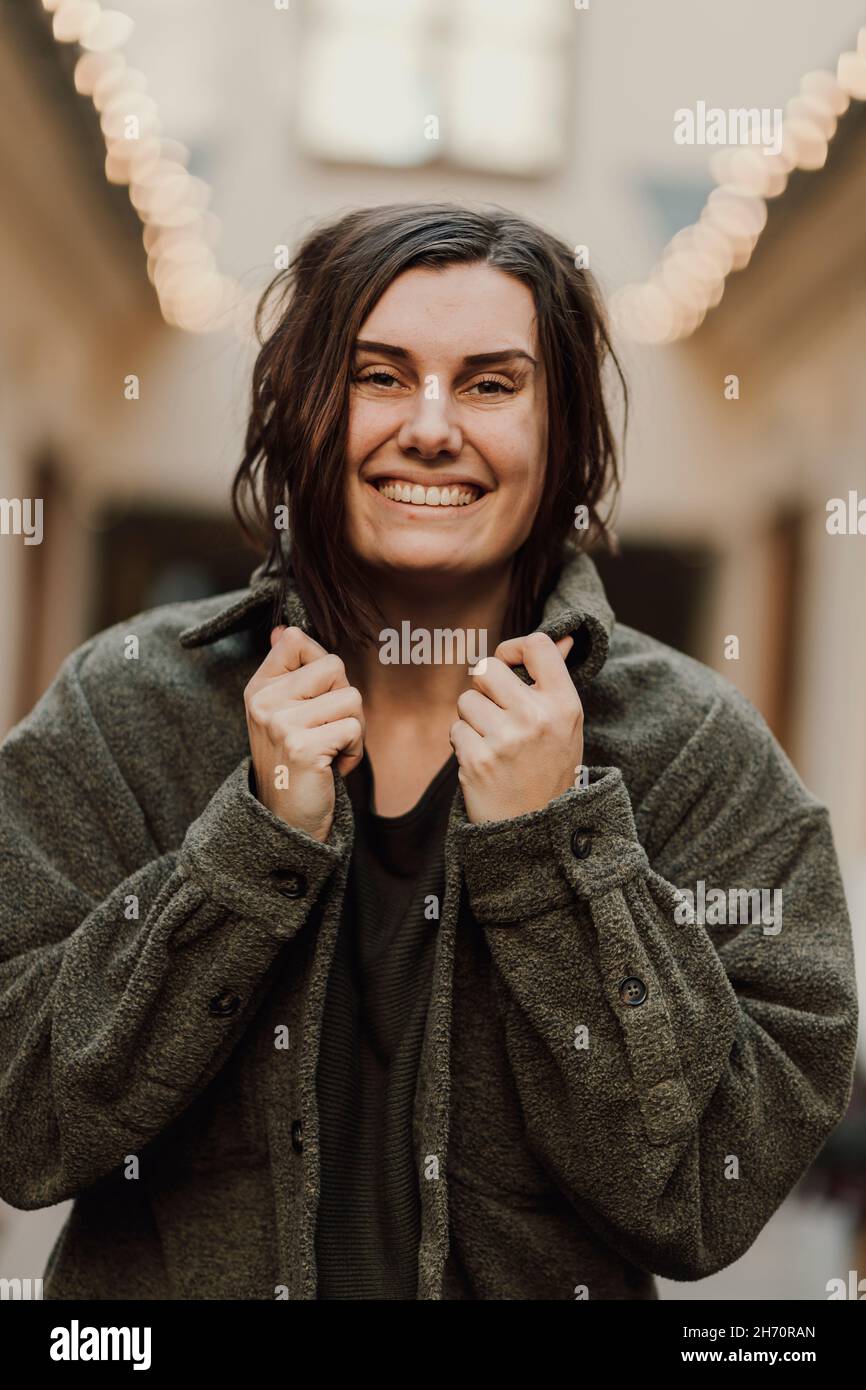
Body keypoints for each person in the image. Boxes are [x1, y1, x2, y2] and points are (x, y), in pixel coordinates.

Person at [0, 203, 857, 1300]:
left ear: (561, 434)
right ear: (302, 409)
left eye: (492, 383)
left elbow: (700, 1195)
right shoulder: (126, 710)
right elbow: (25, 1124)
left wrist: (558, 861)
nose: (434, 426)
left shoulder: (692, 752)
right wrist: (246, 852)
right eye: (379, 375)